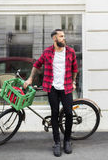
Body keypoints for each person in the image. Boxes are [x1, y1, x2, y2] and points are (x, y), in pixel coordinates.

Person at [24, 29, 78, 157]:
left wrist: (74, 81)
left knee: (69, 113)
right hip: (52, 87)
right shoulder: (47, 52)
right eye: (61, 36)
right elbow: (36, 65)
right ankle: (57, 142)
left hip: (66, 87)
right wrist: (30, 78)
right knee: (54, 114)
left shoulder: (70, 51)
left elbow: (75, 68)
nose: (63, 38)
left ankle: (67, 141)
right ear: (54, 38)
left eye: (64, 36)